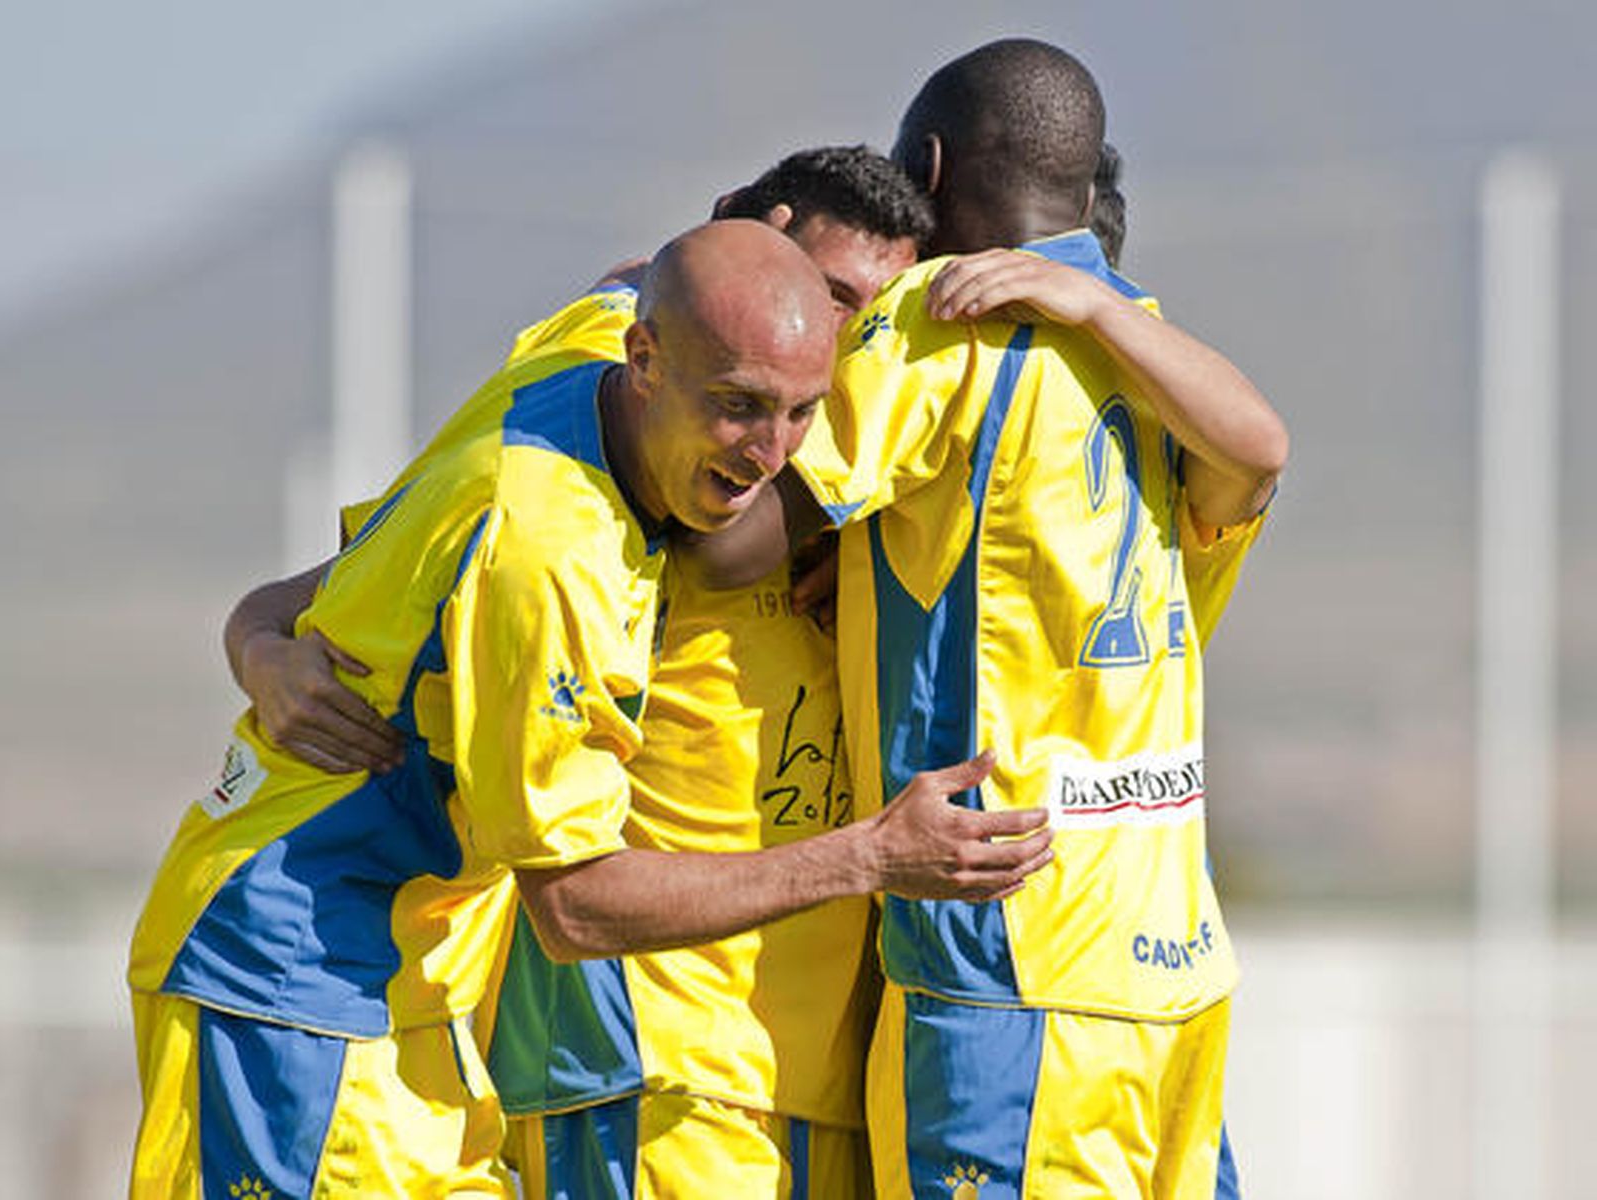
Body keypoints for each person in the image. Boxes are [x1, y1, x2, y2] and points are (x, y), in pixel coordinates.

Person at [126, 219, 1053, 1198]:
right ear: (644, 360)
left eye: (800, 412)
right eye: (739, 407)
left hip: (407, 983)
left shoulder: (581, 353)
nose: (770, 453)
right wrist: (869, 856)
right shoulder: (552, 553)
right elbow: (572, 903)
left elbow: (625, 286)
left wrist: (257, 634)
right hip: (290, 978)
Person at [776, 40, 1288, 1198]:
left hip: (1002, 955)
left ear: (932, 165)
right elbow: (1259, 457)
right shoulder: (1161, 356)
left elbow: (730, 488)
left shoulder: (938, 323)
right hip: (1169, 965)